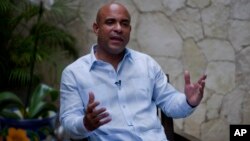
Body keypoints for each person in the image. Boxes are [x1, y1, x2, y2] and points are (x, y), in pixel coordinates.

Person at [59, 2, 206, 141]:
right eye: (110, 22)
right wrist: (86, 123)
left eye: (124, 24)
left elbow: (170, 102)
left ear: (129, 30)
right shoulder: (74, 73)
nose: (118, 28)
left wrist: (188, 101)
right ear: (96, 28)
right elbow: (69, 123)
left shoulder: (146, 64)